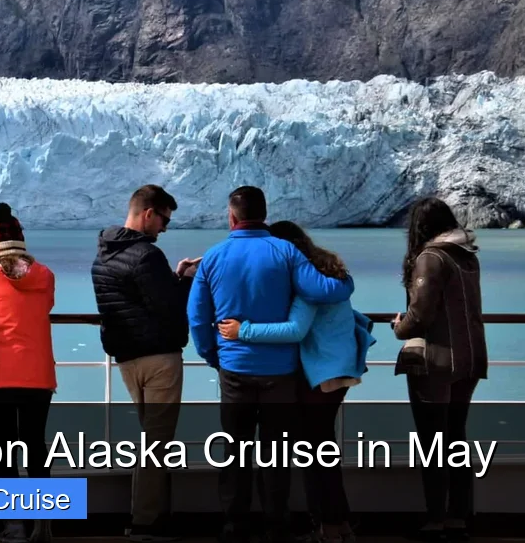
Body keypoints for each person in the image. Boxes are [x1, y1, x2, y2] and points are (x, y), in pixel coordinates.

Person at [187, 186, 354, 543]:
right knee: (275, 453)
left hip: (234, 369)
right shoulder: (286, 251)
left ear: (231, 217)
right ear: (264, 214)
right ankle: (276, 526)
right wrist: (346, 282)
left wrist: (213, 356)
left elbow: (197, 317)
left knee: (235, 450)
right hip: (280, 372)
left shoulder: (214, 256)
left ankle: (234, 526)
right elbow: (324, 290)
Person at [215, 221, 375, 543]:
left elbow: (295, 330)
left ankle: (327, 529)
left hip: (321, 375)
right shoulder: (324, 270)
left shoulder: (307, 283)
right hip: (336, 369)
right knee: (322, 449)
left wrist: (242, 331)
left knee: (314, 454)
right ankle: (340, 525)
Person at [90, 184, 199, 542]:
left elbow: (137, 298)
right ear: (149, 213)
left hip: (127, 359)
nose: (165, 228)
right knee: (158, 442)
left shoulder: (103, 255)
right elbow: (169, 307)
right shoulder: (147, 255)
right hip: (158, 359)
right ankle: (146, 523)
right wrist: (186, 281)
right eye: (164, 220)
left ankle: (146, 514)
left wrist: (173, 278)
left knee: (150, 437)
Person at [391, 197, 487, 543]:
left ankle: (435, 519)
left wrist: (399, 327)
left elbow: (420, 316)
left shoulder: (431, 258)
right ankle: (459, 516)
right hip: (469, 358)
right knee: (455, 437)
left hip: (436, 361)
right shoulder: (467, 256)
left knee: (432, 442)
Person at [0, 204, 57, 543]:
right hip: (37, 375)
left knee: (5, 449)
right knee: (35, 445)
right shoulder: (45, 275)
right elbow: (47, 305)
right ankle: (43, 521)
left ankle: (14, 524)